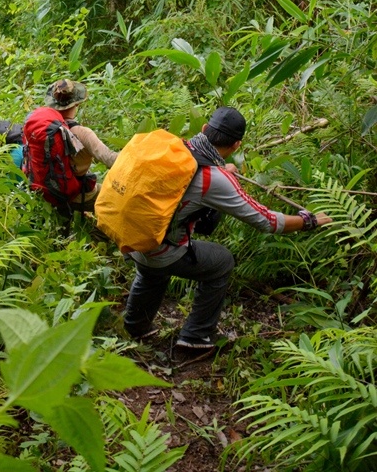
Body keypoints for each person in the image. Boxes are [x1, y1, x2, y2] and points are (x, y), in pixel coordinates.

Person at [122, 106, 332, 350]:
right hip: (160, 250)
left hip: (133, 237)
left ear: (203, 130)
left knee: (152, 269)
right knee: (221, 261)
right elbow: (267, 221)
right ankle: (196, 336)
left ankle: (134, 327)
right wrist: (309, 221)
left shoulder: (174, 151)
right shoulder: (214, 179)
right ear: (236, 146)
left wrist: (222, 171)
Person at [22, 78, 117, 214]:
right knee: (116, 198)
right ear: (77, 103)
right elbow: (110, 160)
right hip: (75, 194)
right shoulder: (82, 133)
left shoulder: (41, 127)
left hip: (46, 190)